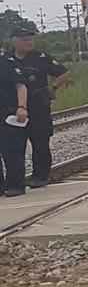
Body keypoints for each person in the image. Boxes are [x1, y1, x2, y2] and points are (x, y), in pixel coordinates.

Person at [3, 27, 68, 189]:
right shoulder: (7, 59)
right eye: (24, 39)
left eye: (30, 39)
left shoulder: (40, 57)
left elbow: (63, 72)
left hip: (38, 105)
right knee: (16, 147)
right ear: (14, 41)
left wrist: (53, 88)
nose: (29, 42)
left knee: (40, 142)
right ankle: (16, 180)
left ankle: (40, 176)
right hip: (14, 108)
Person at [0, 49, 28, 197]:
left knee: (12, 151)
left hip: (7, 112)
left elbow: (21, 86)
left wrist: (22, 107)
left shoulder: (6, 62)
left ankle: (16, 184)